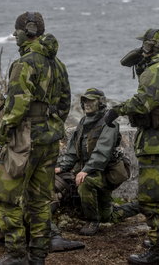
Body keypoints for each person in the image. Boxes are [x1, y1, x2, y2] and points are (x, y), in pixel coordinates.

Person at [0, 11, 71, 265]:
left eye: (17, 31)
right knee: (40, 200)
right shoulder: (57, 64)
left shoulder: (24, 63)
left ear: (28, 31)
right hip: (49, 141)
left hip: (25, 142)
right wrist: (51, 127)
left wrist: (1, 140)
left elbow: (16, 109)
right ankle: (38, 256)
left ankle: (15, 255)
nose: (15, 36)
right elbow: (65, 104)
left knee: (3, 196)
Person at [104, 29, 159, 264]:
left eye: (145, 45)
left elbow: (143, 102)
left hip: (156, 141)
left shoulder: (155, 70)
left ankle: (158, 252)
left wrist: (116, 110)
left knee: (152, 198)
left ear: (151, 46)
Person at [55, 88, 138, 236]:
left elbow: (102, 152)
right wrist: (61, 167)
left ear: (100, 103)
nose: (87, 104)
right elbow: (73, 150)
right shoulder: (83, 122)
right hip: (93, 172)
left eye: (91, 101)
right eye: (85, 101)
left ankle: (92, 221)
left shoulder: (109, 123)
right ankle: (138, 206)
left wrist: (86, 170)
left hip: (107, 173)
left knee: (84, 183)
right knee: (108, 216)